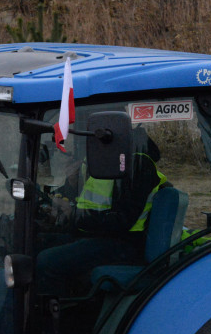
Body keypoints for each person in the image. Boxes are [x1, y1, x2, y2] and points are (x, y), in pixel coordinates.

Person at [35, 127, 166, 298]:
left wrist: (74, 215)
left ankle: (57, 317)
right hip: (94, 235)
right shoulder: (103, 158)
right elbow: (87, 198)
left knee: (47, 262)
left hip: (124, 243)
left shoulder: (137, 164)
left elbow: (122, 219)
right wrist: (69, 187)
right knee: (35, 242)